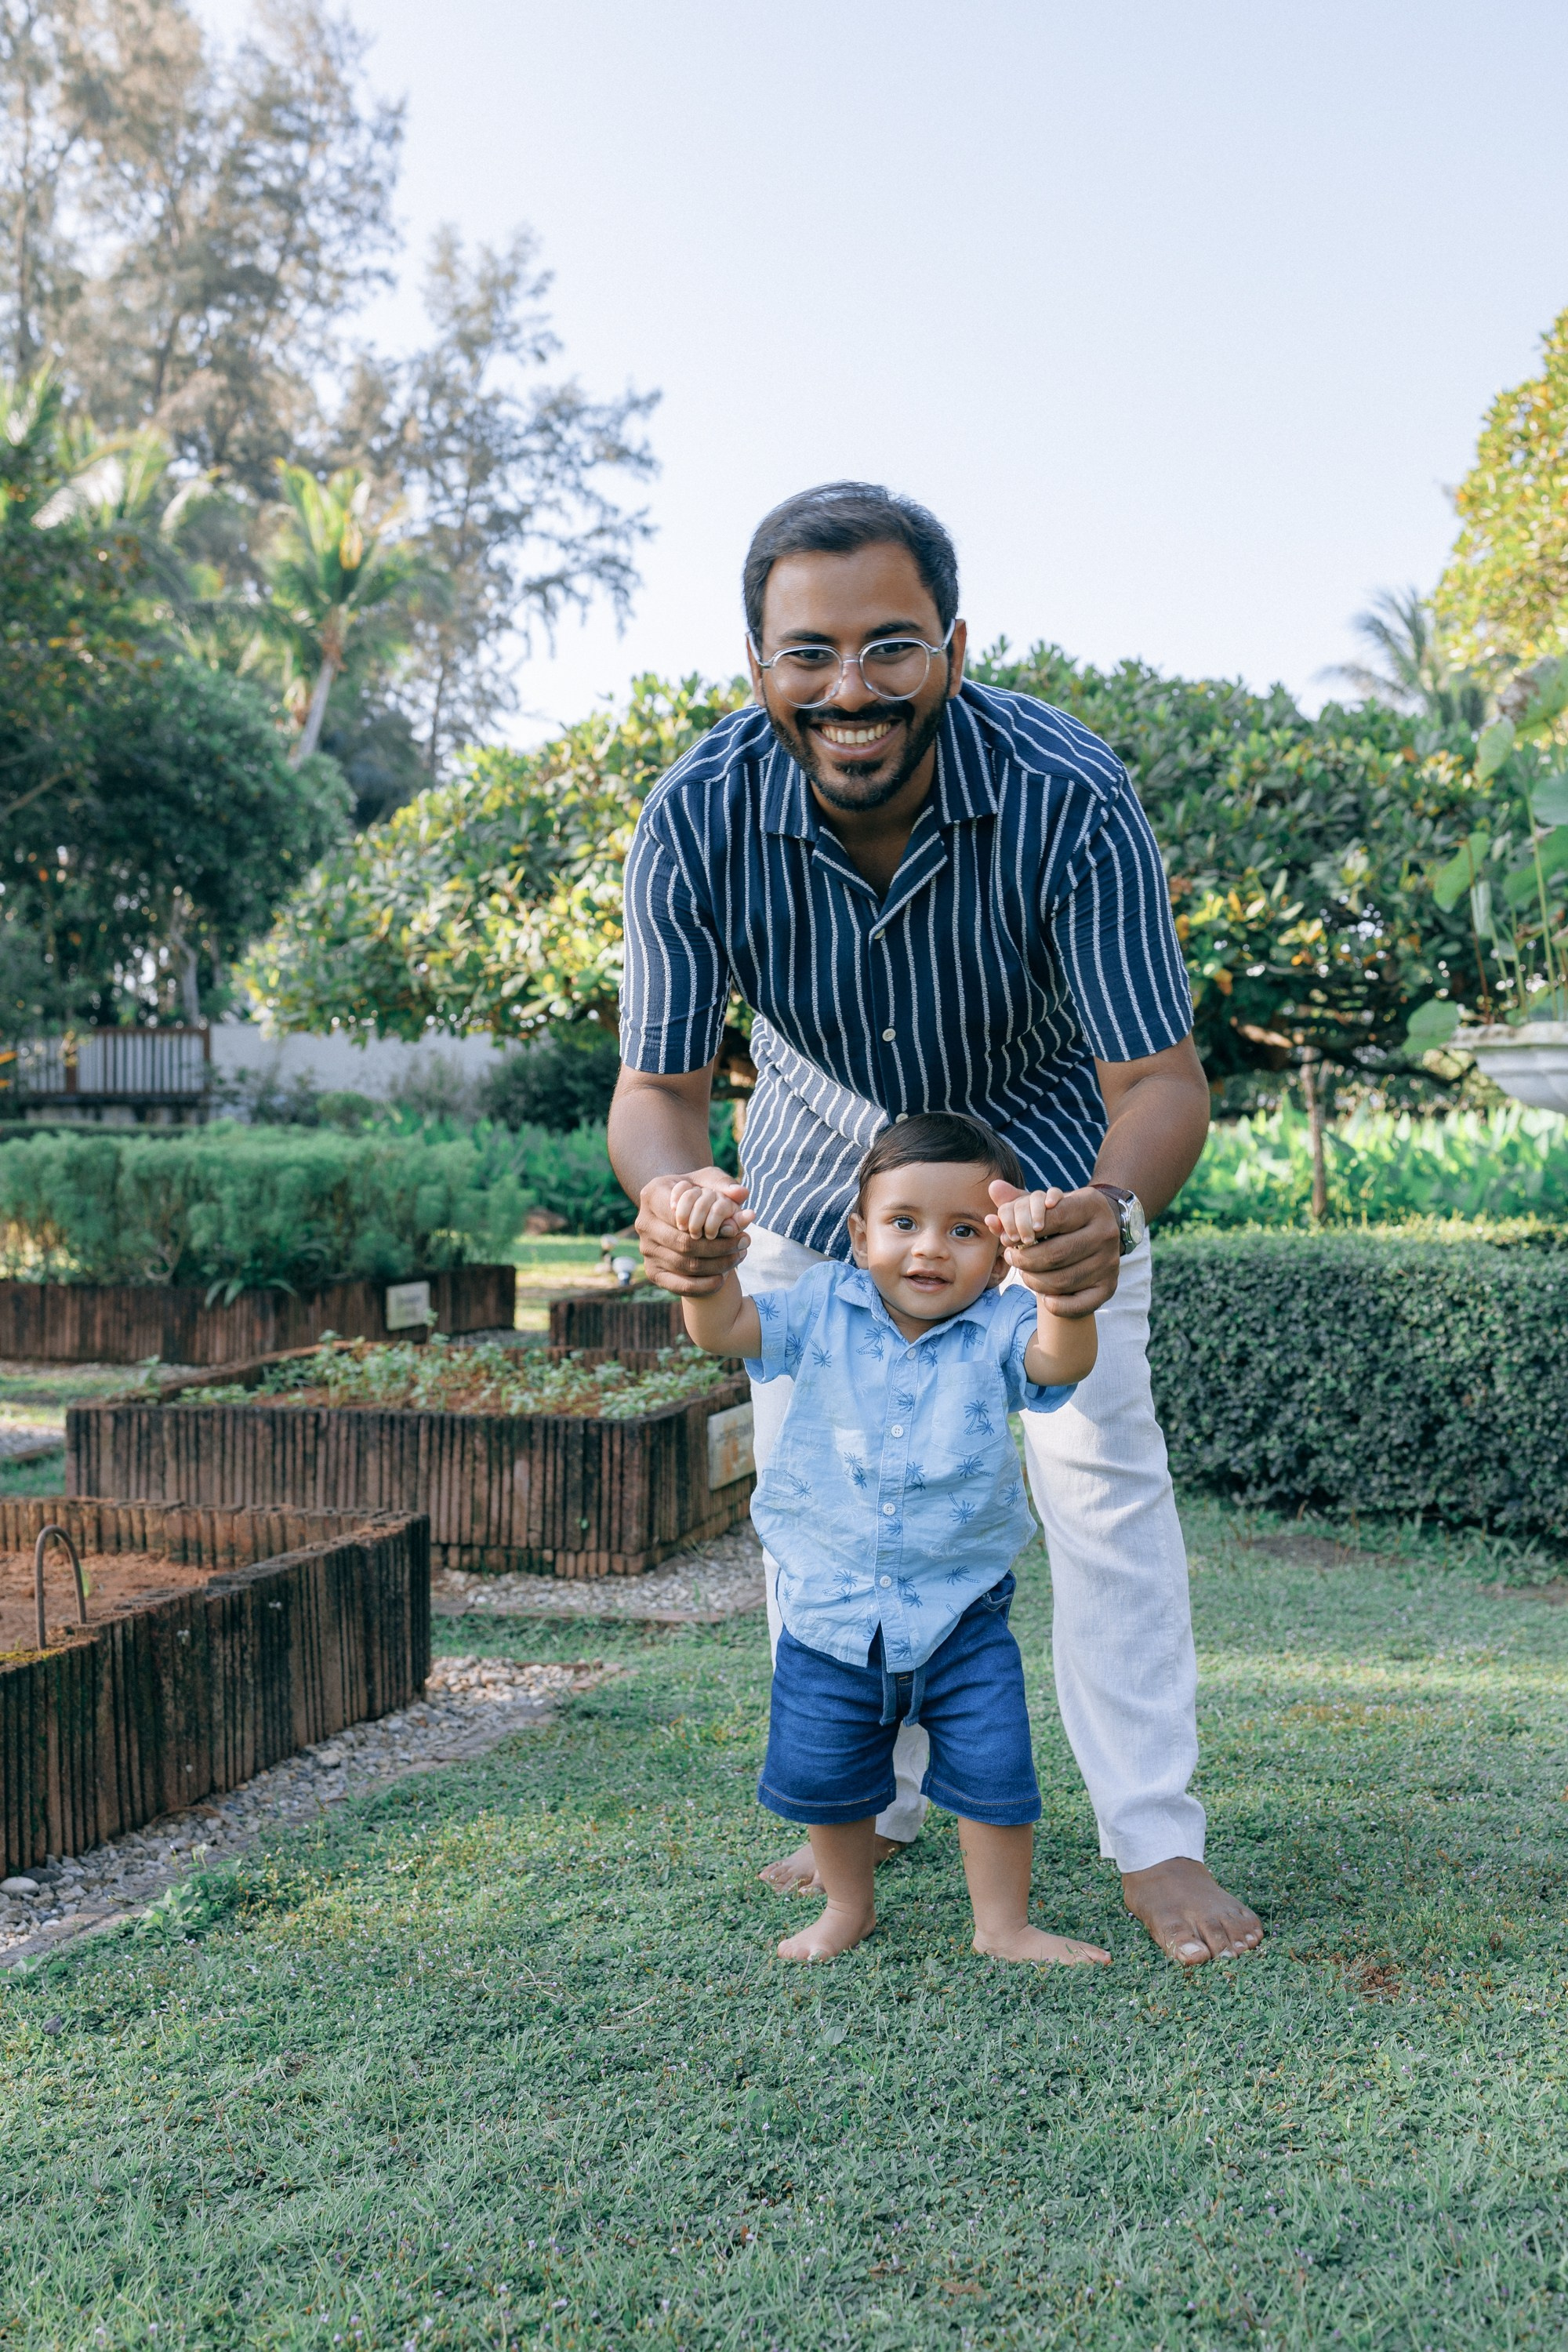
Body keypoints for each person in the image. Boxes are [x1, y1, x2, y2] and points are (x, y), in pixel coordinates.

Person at [608, 480, 1263, 1969]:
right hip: (817, 1196)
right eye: (810, 653)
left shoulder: (1065, 791)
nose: (851, 690)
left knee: (1100, 1493)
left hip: (1044, 1193)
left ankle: (1155, 1836)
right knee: (826, 1506)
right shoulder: (696, 816)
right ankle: (872, 1802)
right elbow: (656, 1092)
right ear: (759, 667)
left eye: (891, 647)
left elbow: (1160, 1081)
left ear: (953, 649)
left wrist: (1106, 1214)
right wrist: (675, 1199)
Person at [666, 1111, 1109, 1966]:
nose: (930, 1249)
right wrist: (706, 1271)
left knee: (993, 1771)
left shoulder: (1003, 1324)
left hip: (962, 1614)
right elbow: (724, 1330)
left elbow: (1061, 1365)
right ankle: (847, 1906)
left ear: (1000, 1253)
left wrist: (1061, 1292)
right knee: (827, 1777)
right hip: (829, 1612)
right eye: (904, 1222)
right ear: (860, 1233)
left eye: (965, 1230)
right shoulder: (821, 1305)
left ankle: (1003, 1926)